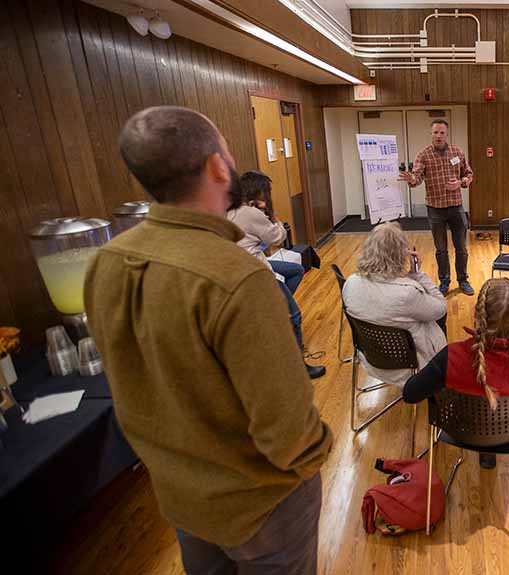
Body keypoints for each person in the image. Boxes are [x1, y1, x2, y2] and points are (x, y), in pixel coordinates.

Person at [85, 106, 332, 575]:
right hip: (260, 507)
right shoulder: (236, 278)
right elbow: (289, 431)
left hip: (182, 497)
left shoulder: (106, 262)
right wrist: (320, 449)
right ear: (219, 166)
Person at [403, 278, 509, 469]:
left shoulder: (451, 357)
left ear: (476, 314)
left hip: (464, 430)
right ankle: (490, 449)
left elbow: (410, 394)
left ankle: (486, 450)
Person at [227, 170, 324, 379]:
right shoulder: (251, 213)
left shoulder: (232, 209)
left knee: (296, 270)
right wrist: (271, 213)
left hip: (244, 265)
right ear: (259, 192)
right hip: (257, 271)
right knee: (295, 315)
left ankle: (273, 309)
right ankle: (299, 367)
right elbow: (278, 237)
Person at [341, 222, 448, 386]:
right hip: (409, 366)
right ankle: (437, 381)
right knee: (437, 317)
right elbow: (441, 308)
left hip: (371, 358)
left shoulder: (350, 283)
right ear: (400, 255)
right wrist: (417, 274)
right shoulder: (406, 293)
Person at [399, 119, 474, 296]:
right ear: (431, 134)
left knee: (461, 247)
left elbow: (469, 174)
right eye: (435, 133)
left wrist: (461, 182)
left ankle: (463, 280)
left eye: (442, 133)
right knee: (441, 249)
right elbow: (416, 178)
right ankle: (444, 281)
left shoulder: (457, 152)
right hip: (435, 209)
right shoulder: (423, 155)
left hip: (456, 207)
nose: (438, 136)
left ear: (446, 134)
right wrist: (411, 179)